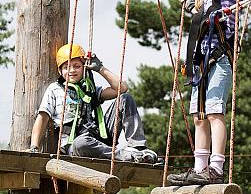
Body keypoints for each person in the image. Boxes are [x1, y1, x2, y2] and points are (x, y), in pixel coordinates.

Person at [167, 0, 251, 186]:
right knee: (199, 116)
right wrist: (191, 8)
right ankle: (200, 168)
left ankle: (216, 167)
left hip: (219, 58)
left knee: (214, 112)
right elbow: (203, 18)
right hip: (200, 63)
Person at [27, 43, 158, 163]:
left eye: (77, 66)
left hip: (99, 137)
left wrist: (100, 68)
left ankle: (138, 148)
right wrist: (34, 147)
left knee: (125, 98)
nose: (72, 70)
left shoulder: (90, 89)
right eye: (67, 67)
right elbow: (42, 118)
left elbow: (121, 89)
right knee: (82, 143)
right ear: (60, 71)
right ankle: (128, 156)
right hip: (75, 144)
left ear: (84, 68)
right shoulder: (55, 89)